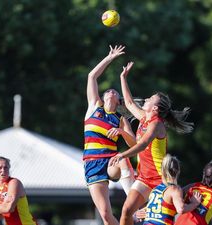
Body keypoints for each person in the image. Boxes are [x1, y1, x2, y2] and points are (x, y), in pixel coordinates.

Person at [109, 61, 194, 225]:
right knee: (126, 212)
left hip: (159, 180)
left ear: (154, 108)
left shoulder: (156, 124)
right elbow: (128, 103)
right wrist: (123, 77)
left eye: (150, 99)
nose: (146, 99)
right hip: (144, 178)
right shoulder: (144, 118)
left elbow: (142, 144)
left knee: (150, 219)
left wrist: (122, 155)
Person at [84, 45, 136, 225]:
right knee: (106, 215)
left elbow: (134, 144)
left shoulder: (120, 119)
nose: (111, 91)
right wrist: (110, 57)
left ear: (118, 99)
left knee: (122, 158)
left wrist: (122, 132)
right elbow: (92, 76)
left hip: (110, 160)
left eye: (115, 91)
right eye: (108, 91)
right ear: (104, 97)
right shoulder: (94, 107)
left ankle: (135, 200)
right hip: (92, 163)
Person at [0, 156, 37, 225]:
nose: (3, 170)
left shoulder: (14, 182)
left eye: (6, 167)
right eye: (0, 168)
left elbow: (8, 208)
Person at [143, 154, 202, 225]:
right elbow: (181, 209)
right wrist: (194, 203)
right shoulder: (175, 189)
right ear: (178, 171)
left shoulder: (155, 189)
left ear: (162, 171)